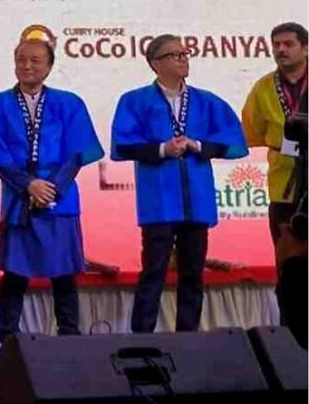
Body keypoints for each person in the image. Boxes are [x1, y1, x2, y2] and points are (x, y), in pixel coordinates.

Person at [111, 34, 247, 334]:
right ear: (155, 63)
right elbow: (123, 144)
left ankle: (189, 339)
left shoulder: (206, 101)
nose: (183, 59)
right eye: (175, 55)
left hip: (196, 199)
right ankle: (141, 338)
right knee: (154, 272)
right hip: (159, 201)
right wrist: (163, 149)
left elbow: (235, 141)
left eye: (185, 54)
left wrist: (197, 145)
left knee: (193, 274)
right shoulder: (135, 100)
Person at [0, 27, 104, 341]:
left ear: (49, 66)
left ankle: (69, 337)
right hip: (18, 197)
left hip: (60, 197)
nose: (27, 66)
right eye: (21, 59)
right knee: (15, 273)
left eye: (35, 60)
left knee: (64, 271)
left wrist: (51, 188)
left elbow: (76, 153)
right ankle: (8, 341)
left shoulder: (69, 104)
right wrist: (28, 185)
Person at [242, 22, 308, 347]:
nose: (281, 50)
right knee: (290, 272)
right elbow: (251, 133)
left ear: (306, 48)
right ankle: (293, 347)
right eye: (276, 44)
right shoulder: (264, 87)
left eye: (288, 44)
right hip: (285, 192)